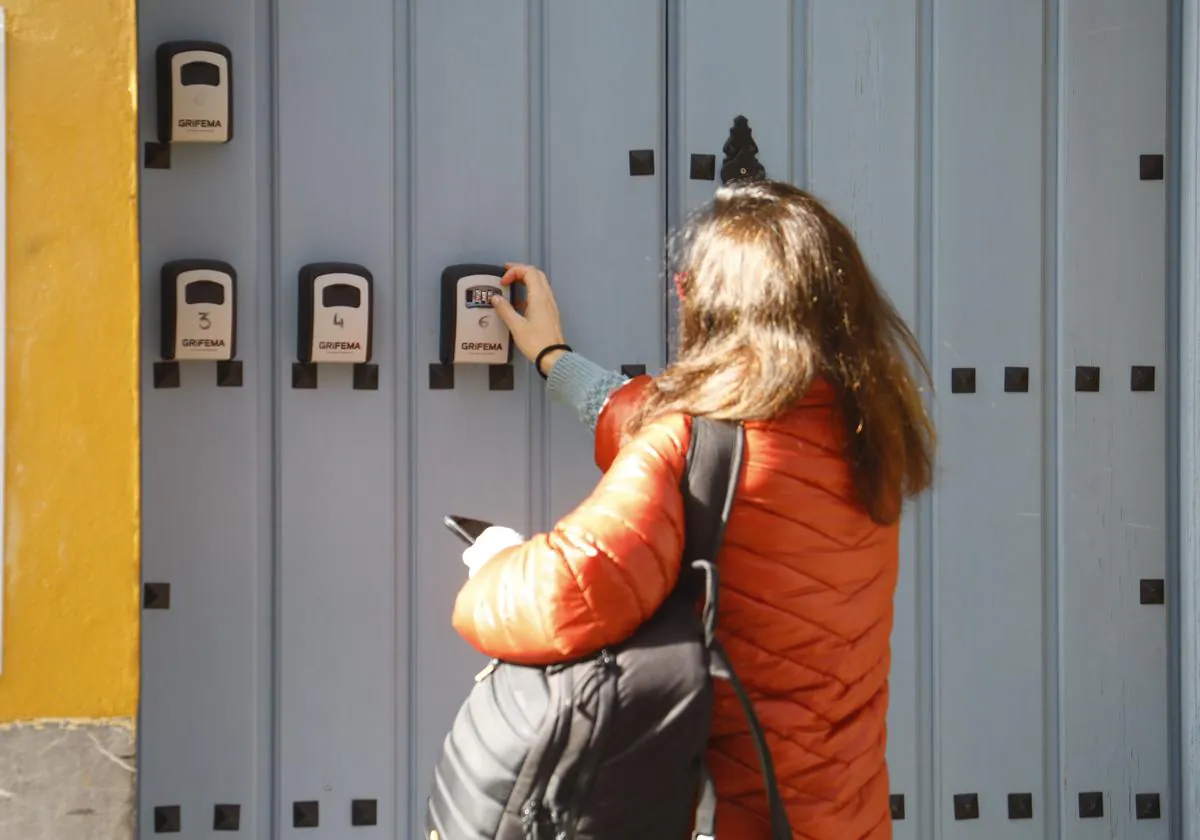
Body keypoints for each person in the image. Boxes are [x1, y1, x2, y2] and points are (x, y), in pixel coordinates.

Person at [450, 179, 936, 840]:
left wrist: (495, 561)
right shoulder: (866, 431)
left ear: (710, 302)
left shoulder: (690, 442)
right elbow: (680, 427)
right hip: (844, 815)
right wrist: (554, 359)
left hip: (732, 816)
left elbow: (567, 593)